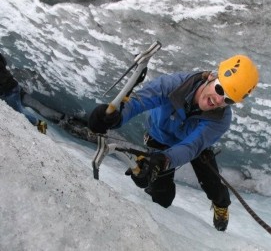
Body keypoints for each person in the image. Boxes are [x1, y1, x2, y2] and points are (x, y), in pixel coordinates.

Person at [88, 55, 259, 231]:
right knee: (162, 197)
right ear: (212, 76)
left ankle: (221, 205)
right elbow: (141, 100)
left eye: (228, 100)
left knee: (213, 185)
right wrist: (115, 117)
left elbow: (191, 147)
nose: (219, 100)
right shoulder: (176, 84)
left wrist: (163, 161)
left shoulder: (221, 119)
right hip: (160, 139)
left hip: (193, 145)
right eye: (220, 89)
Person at [0, 52, 47, 134]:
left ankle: (40, 124)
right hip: (12, 87)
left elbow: (2, 80)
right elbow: (4, 61)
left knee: (19, 110)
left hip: (10, 90)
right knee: (18, 108)